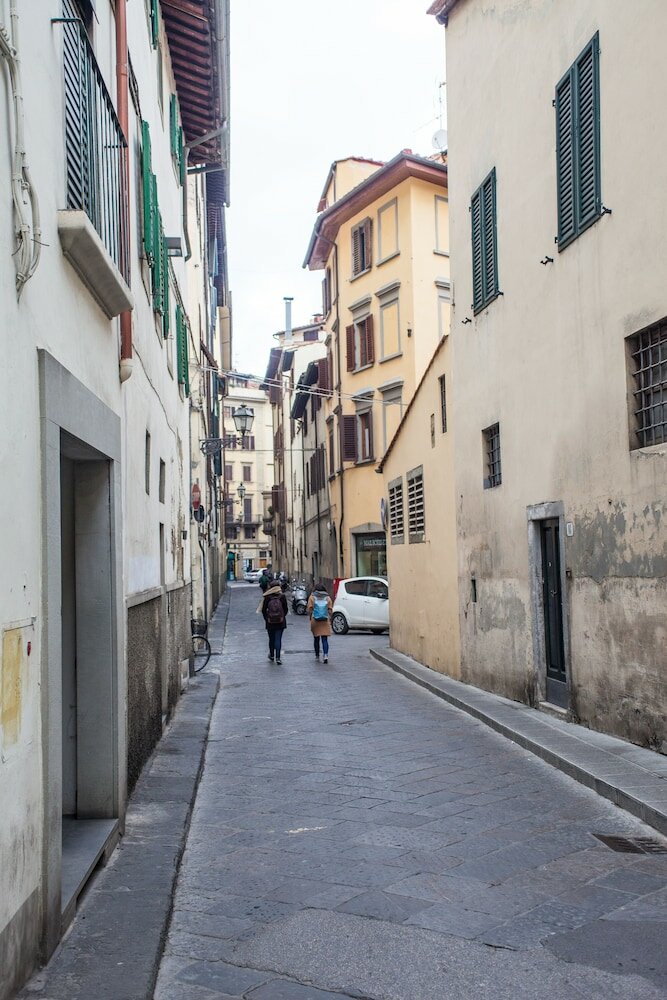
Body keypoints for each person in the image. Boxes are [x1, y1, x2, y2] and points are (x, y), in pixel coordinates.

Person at [261, 577, 288, 664]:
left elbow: (263, 610)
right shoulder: (282, 596)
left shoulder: (267, 597)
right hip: (280, 621)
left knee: (271, 639)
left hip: (270, 621)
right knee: (278, 639)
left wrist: (267, 618)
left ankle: (272, 655)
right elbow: (286, 609)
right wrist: (282, 616)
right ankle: (278, 658)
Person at [307, 582, 333, 663]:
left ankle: (317, 655)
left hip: (315, 620)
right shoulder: (327, 598)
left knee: (316, 639)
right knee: (325, 639)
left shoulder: (312, 597)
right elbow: (330, 610)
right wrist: (330, 617)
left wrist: (310, 617)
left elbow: (310, 609)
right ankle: (325, 655)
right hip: (325, 620)